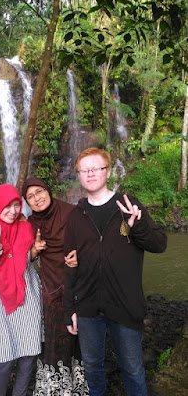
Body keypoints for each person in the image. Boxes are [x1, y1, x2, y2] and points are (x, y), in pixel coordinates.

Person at [63, 147, 167, 396]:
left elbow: (159, 244)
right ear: (78, 175)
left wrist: (138, 226)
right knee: (92, 367)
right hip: (87, 308)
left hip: (125, 304)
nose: (89, 174)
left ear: (107, 172)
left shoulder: (128, 205)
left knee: (132, 369)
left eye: (95, 168)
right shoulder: (75, 216)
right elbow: (69, 265)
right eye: (84, 170)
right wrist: (70, 310)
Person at [22, 178, 89, 395]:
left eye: (39, 192)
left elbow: (91, 243)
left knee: (80, 335)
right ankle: (56, 388)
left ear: (48, 191)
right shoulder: (30, 224)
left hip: (78, 285)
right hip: (50, 289)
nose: (36, 198)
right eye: (30, 196)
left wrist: (80, 254)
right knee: (54, 338)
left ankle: (80, 385)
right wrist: (34, 250)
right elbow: (21, 258)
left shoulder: (72, 213)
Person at [0, 184, 43, 396]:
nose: (13, 211)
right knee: (4, 357)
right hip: (1, 301)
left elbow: (24, 260)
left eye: (17, 205)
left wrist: (34, 252)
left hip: (29, 296)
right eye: (8, 206)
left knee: (29, 354)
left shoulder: (25, 227)